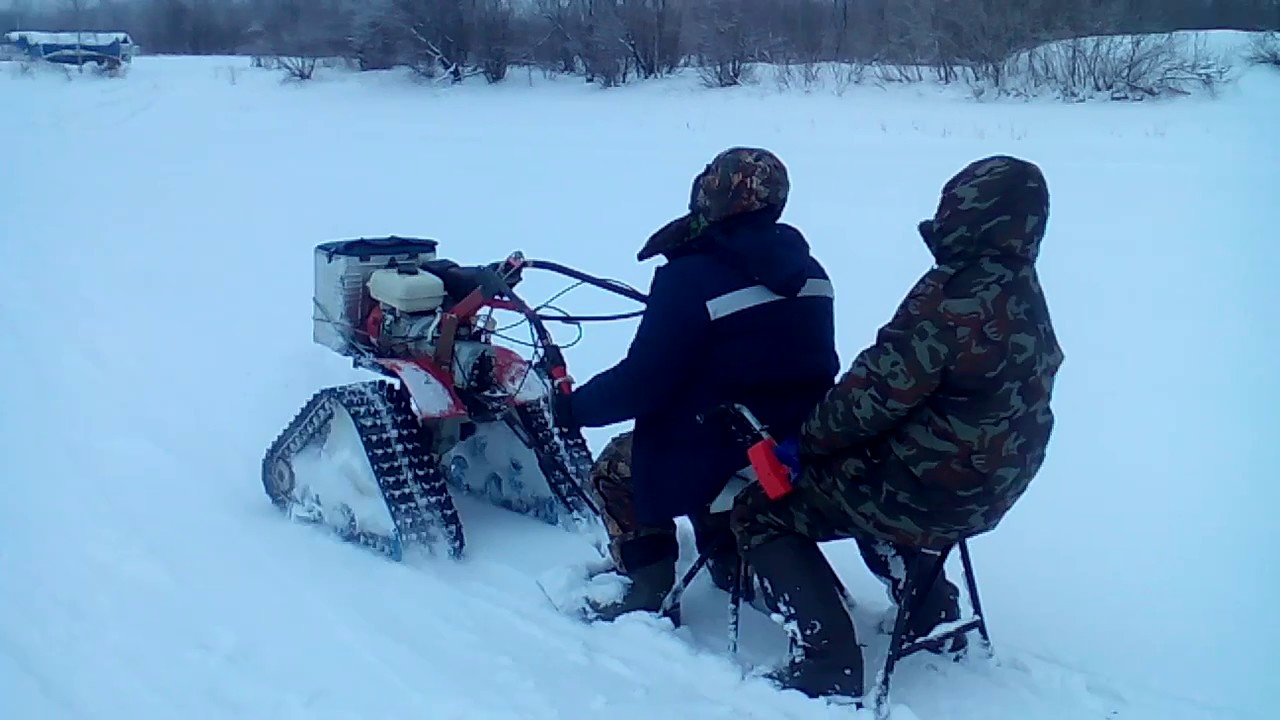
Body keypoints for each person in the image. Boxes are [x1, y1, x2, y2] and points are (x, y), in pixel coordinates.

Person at [729, 155, 1066, 701]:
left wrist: (804, 444)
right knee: (866, 476)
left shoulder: (952, 293)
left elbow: (871, 396)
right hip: (992, 491)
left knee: (758, 513)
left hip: (929, 492)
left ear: (969, 215)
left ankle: (827, 661)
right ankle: (932, 615)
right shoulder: (1023, 287)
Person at [552, 147, 841, 623]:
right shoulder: (811, 272)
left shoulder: (688, 278)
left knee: (615, 470)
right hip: (793, 441)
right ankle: (729, 556)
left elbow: (641, 383)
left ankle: (648, 591)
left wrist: (573, 409)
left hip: (719, 445)